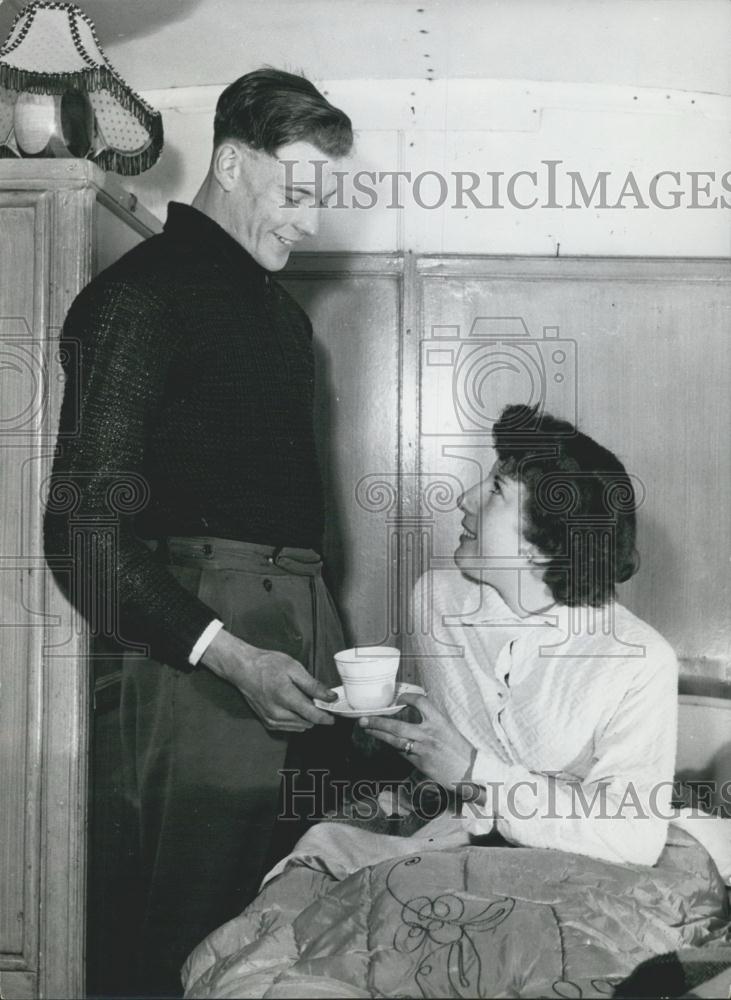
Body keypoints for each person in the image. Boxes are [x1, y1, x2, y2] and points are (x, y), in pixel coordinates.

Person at [44, 69, 354, 996]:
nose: (307, 220)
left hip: (298, 644)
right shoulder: (138, 298)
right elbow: (81, 537)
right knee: (178, 946)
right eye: (295, 190)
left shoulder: (285, 320)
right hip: (196, 676)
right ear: (229, 161)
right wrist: (228, 654)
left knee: (278, 944)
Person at [264, 403, 678, 878]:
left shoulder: (638, 659)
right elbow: (421, 721)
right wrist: (379, 723)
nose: (465, 498)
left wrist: (473, 770)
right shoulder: (435, 597)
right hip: (437, 830)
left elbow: (635, 837)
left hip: (570, 867)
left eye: (497, 489)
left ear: (542, 542)